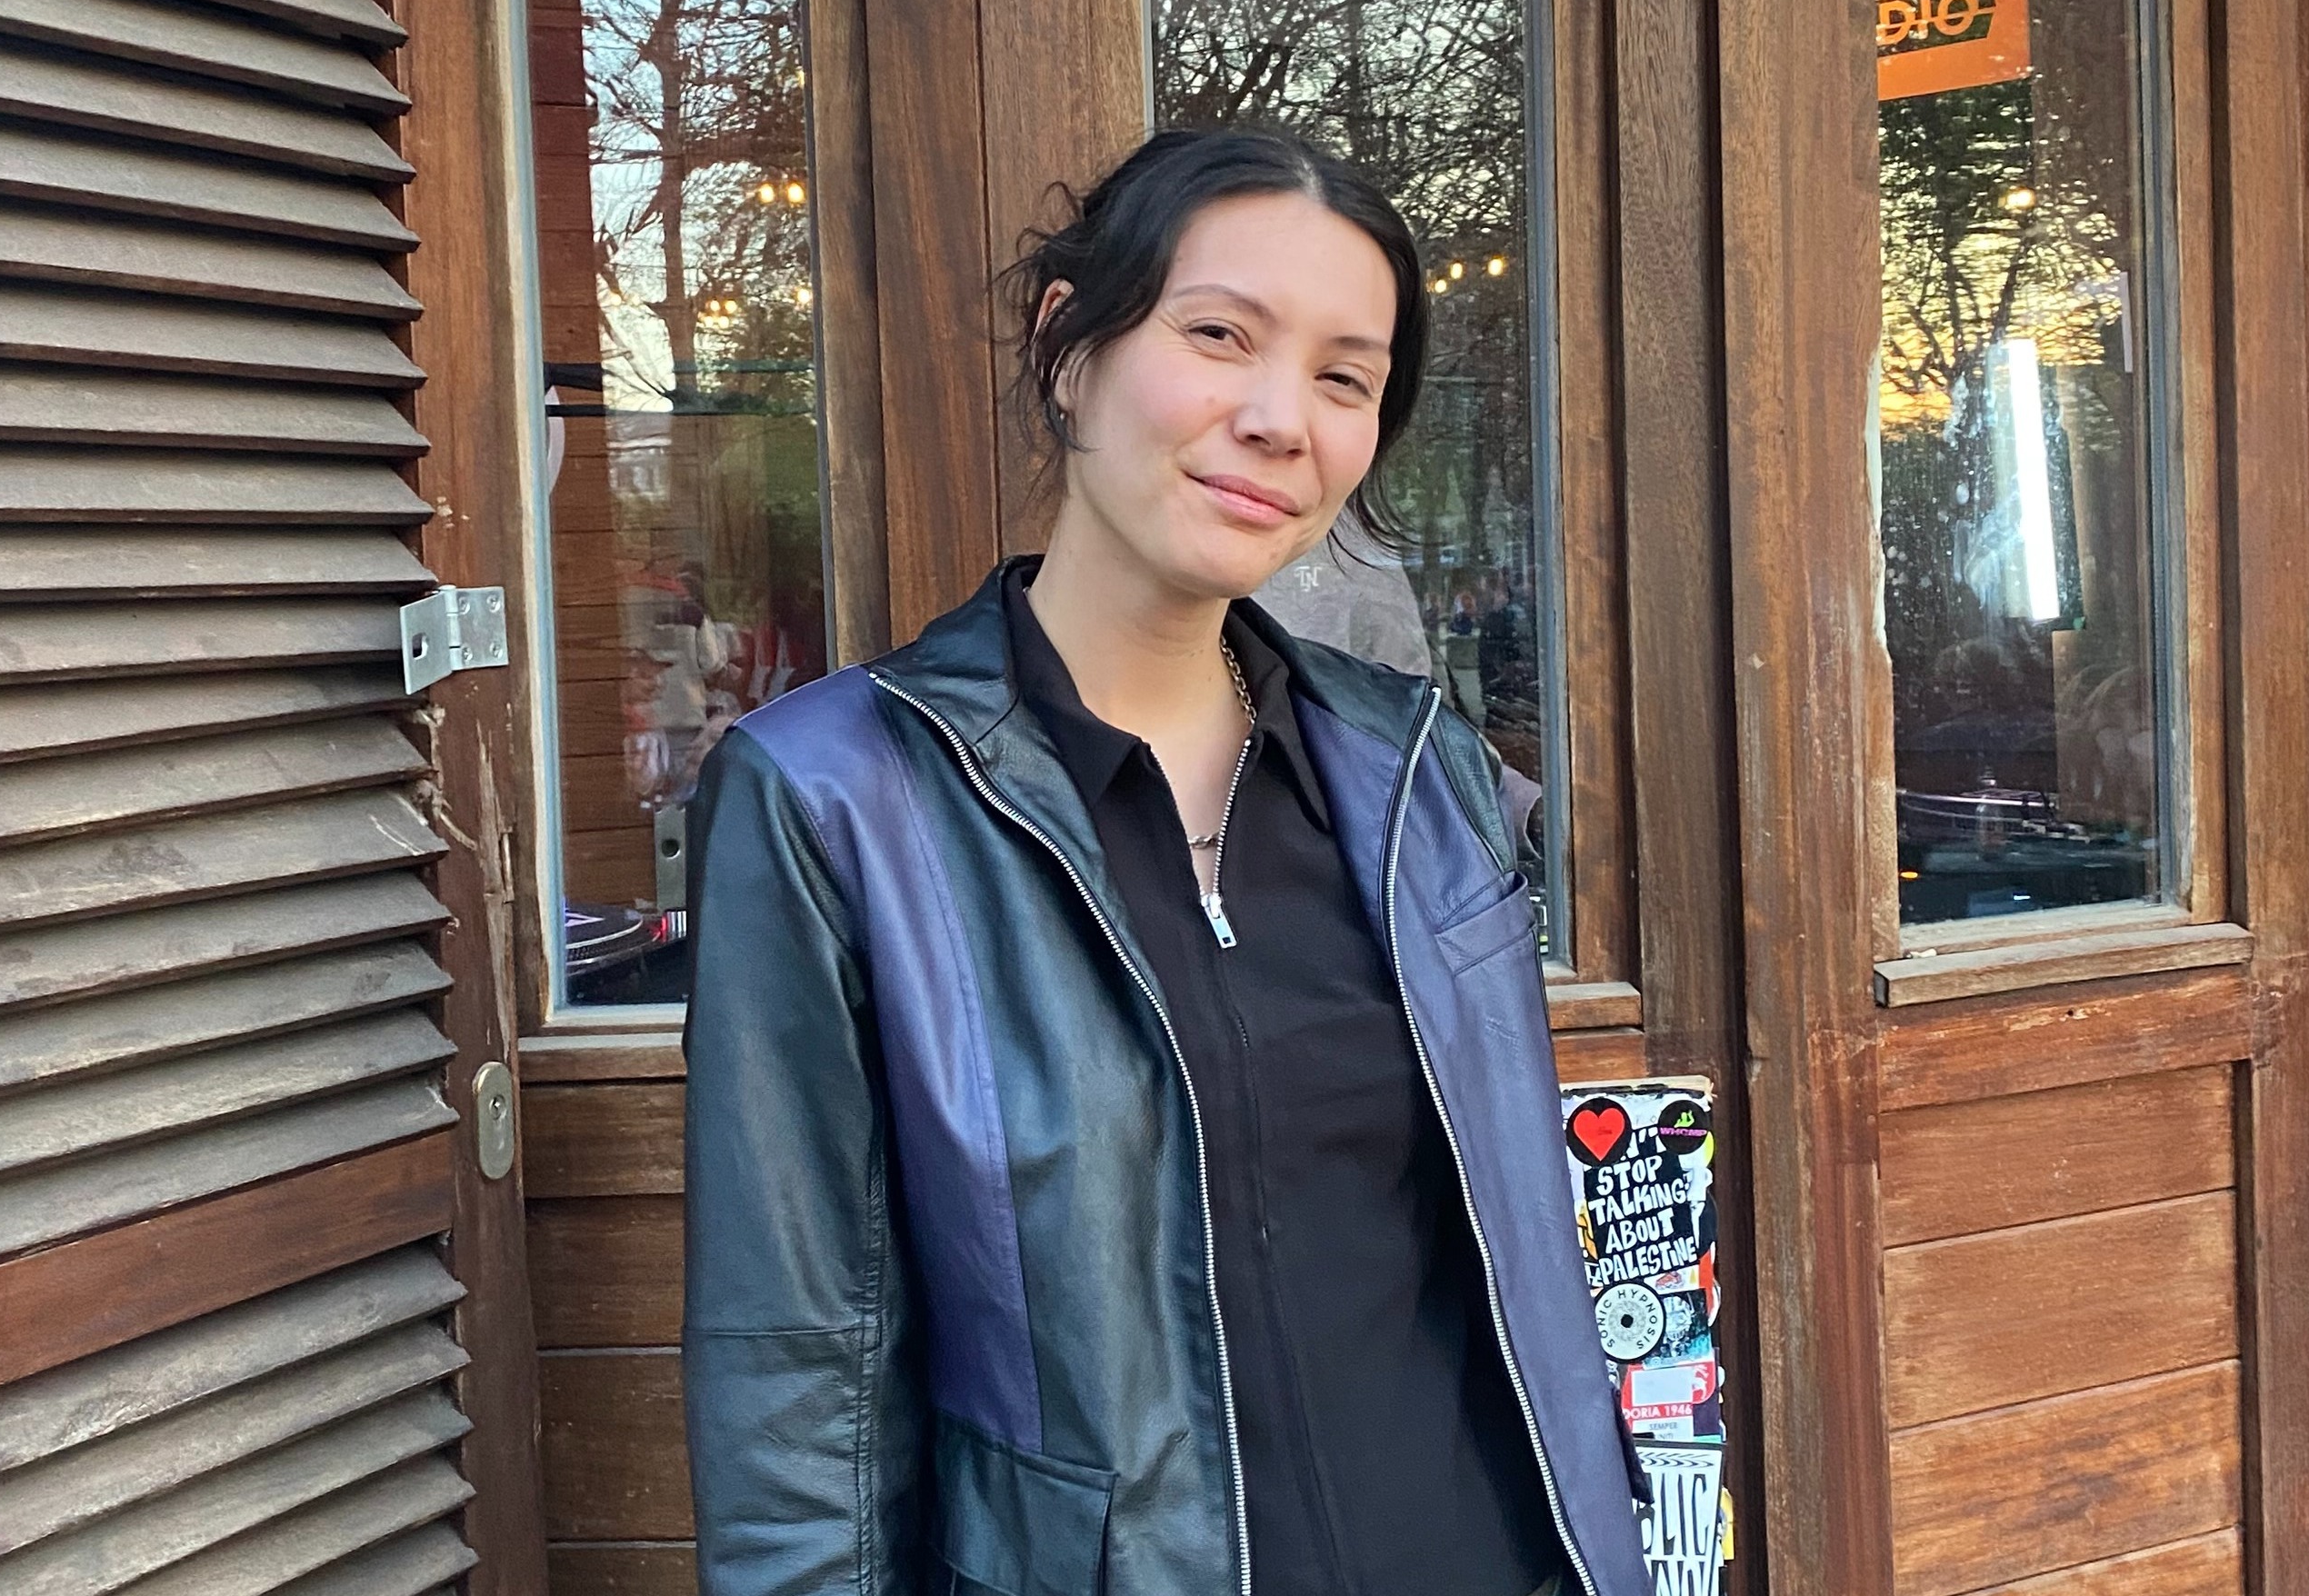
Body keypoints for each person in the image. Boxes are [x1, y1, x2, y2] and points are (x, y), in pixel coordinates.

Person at [681, 129, 1648, 1596]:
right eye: (1219, 336)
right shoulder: (835, 799)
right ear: (1070, 345)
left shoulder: (1415, 771)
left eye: (1345, 379)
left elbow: (1517, 1267)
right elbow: (798, 1382)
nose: (1280, 420)